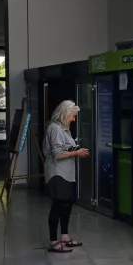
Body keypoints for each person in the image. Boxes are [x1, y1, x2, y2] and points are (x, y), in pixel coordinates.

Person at [44, 100, 89, 253]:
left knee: (67, 204)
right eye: (72, 116)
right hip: (57, 173)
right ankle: (53, 241)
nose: (73, 119)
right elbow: (57, 154)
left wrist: (76, 148)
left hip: (67, 173)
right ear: (64, 114)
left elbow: (64, 147)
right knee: (58, 205)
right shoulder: (55, 129)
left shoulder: (64, 128)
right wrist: (76, 153)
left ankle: (64, 237)